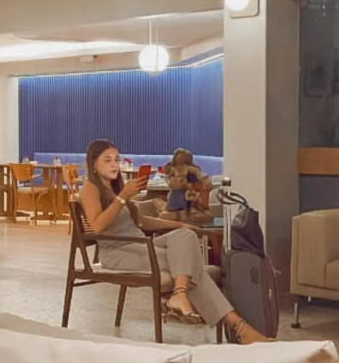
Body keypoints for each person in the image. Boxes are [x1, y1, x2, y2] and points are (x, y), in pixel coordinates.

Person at [78, 139, 272, 344]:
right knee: (191, 268)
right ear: (94, 164)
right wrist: (123, 196)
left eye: (116, 159)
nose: (114, 164)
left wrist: (179, 225)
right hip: (119, 253)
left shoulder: (115, 188)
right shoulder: (90, 189)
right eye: (107, 160)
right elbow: (97, 226)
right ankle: (240, 327)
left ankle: (180, 294)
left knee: (185, 236)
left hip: (140, 244)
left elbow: (141, 221)